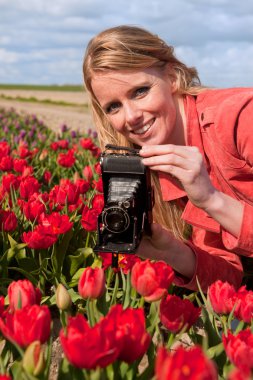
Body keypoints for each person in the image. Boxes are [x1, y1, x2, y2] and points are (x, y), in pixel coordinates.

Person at [83, 25, 253, 292]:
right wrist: (171, 252)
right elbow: (229, 278)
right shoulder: (154, 169)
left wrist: (211, 199)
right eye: (113, 107)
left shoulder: (240, 119)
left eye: (139, 91)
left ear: (172, 77)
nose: (130, 117)